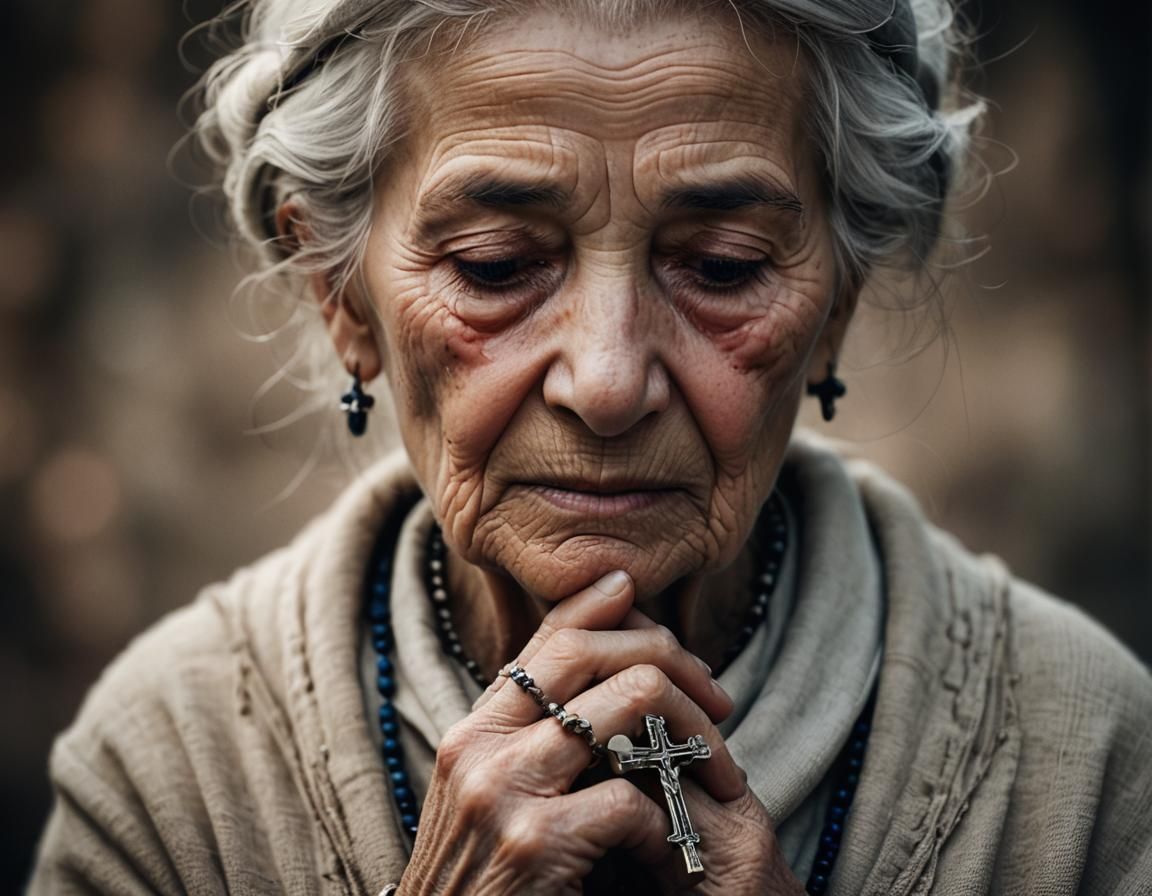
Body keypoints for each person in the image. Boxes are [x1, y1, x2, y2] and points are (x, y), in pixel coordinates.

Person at [28, 1, 1152, 893]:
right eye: (496, 264)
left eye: (720, 266)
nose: (608, 380)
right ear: (341, 293)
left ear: (838, 301)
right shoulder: (172, 774)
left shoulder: (1079, 756)